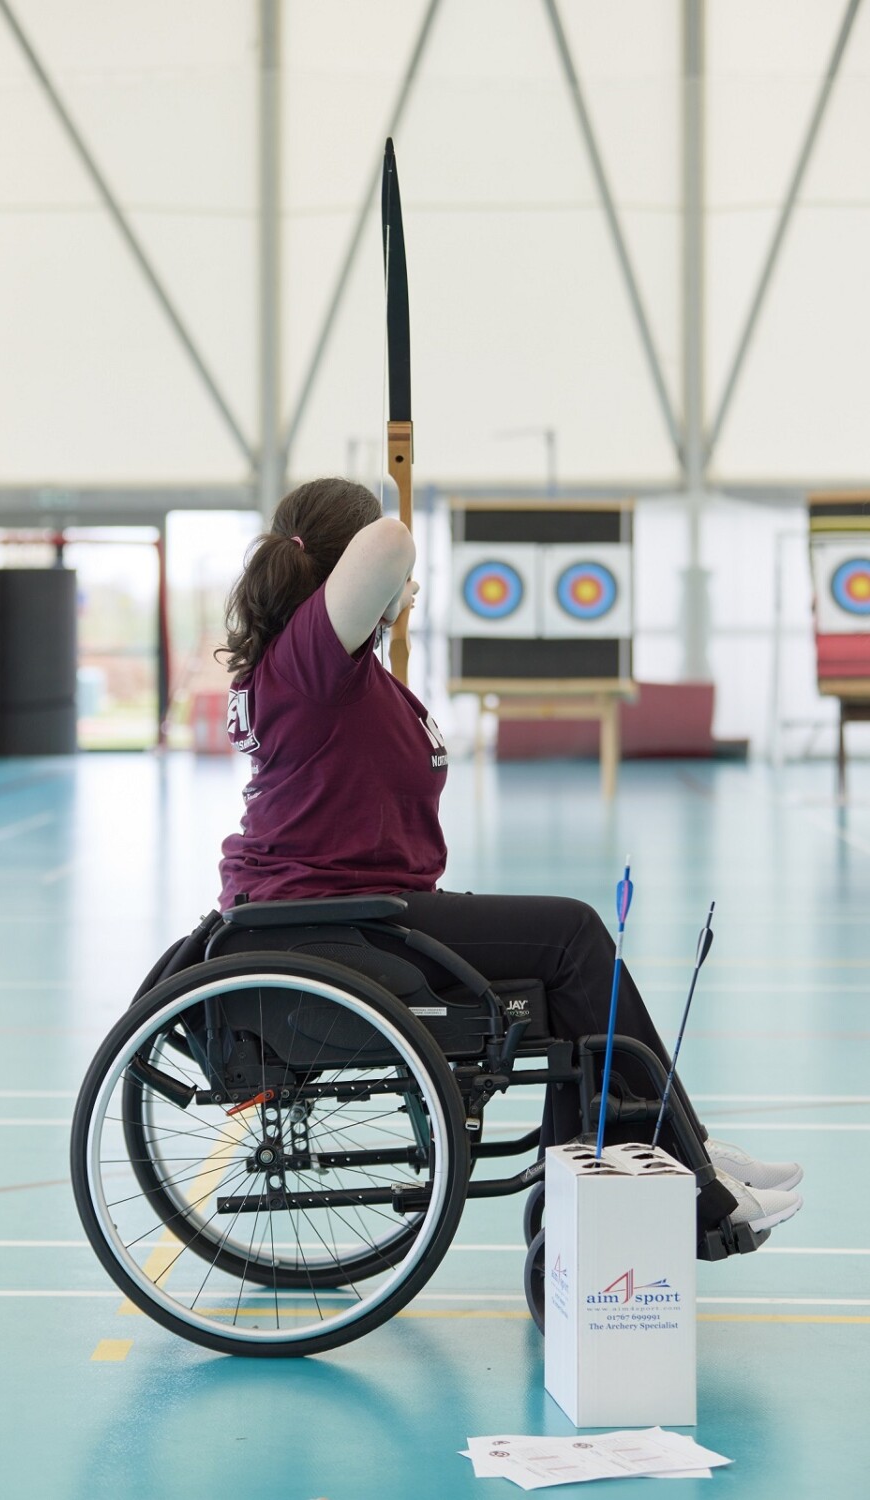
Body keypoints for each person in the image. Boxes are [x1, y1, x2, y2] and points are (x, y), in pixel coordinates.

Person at [216, 477, 803, 1240]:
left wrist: (388, 608)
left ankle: (655, 1143)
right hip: (339, 924)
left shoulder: (327, 669)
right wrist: (393, 575)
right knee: (572, 933)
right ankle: (683, 1169)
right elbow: (390, 542)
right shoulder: (308, 661)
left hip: (363, 912)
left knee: (561, 974)